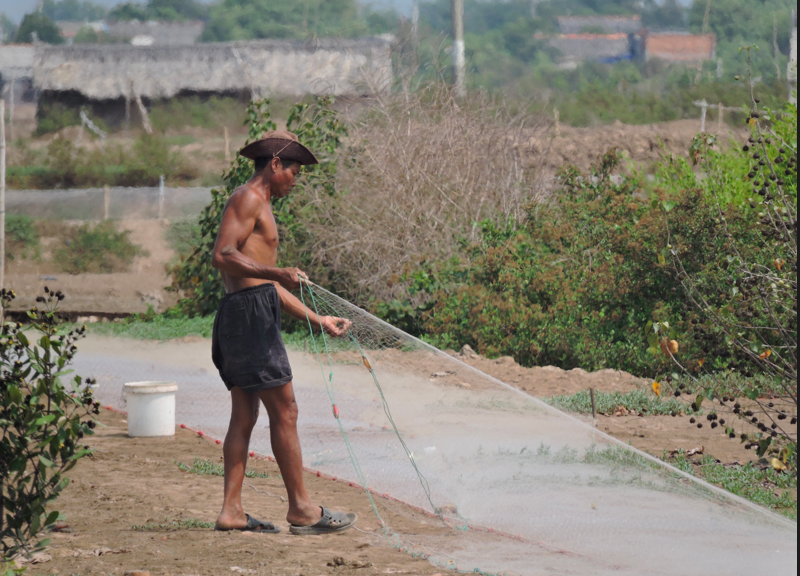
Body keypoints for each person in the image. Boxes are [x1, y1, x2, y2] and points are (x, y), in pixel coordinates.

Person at [210, 131, 356, 535]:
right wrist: (278, 271)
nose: (295, 179)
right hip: (249, 318)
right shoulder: (249, 198)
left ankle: (232, 511)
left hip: (246, 313)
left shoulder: (262, 205)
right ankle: (303, 510)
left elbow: (268, 287)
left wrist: (319, 320)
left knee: (246, 412)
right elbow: (222, 255)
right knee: (285, 410)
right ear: (275, 164)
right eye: (293, 171)